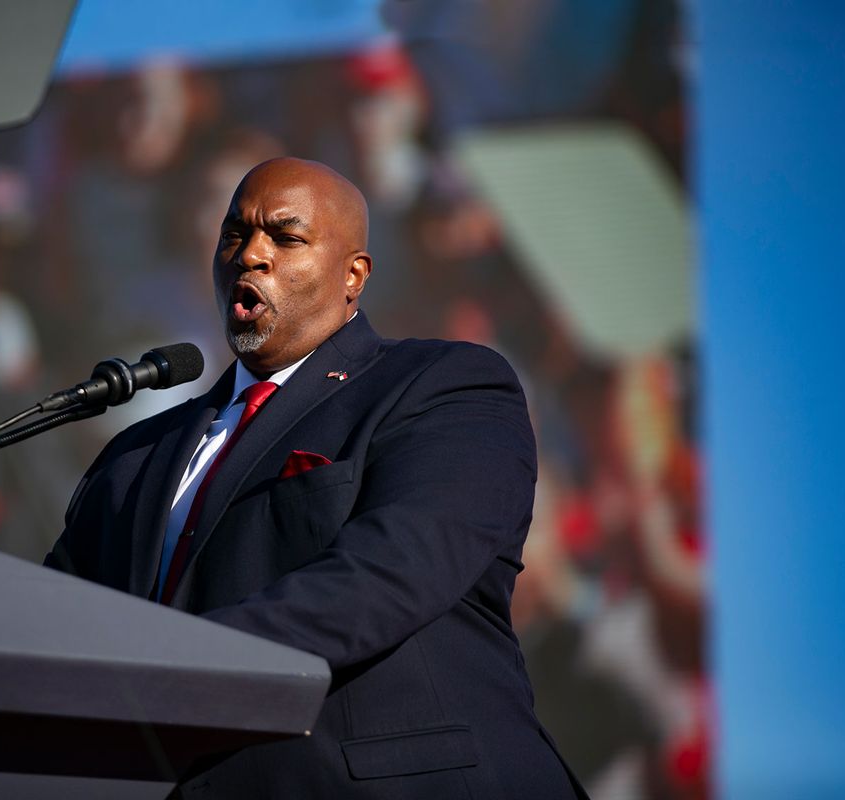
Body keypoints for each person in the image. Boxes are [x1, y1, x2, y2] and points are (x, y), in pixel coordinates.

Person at [45, 157, 588, 798]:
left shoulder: (442, 386)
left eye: (285, 236)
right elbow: (56, 627)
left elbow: (394, 570)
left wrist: (179, 666)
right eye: (233, 235)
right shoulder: (135, 456)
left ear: (353, 275)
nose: (250, 254)